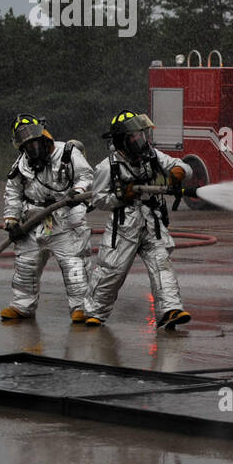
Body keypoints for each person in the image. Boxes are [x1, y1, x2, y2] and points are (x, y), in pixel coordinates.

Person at [82, 110, 191, 330]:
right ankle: (94, 312)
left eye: (141, 135)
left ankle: (170, 309)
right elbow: (99, 199)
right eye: (134, 137)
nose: (140, 140)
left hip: (153, 223)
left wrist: (179, 171)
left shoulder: (152, 155)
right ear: (123, 140)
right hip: (123, 226)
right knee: (111, 270)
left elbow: (182, 166)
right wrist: (123, 196)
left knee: (162, 265)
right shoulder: (107, 167)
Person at [1, 115, 94, 322]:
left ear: (42, 137)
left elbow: (86, 175)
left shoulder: (67, 152)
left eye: (34, 143)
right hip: (33, 220)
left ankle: (81, 308)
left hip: (65, 218)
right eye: (27, 145)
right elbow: (13, 192)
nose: (32, 148)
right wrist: (12, 220)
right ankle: (21, 306)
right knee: (26, 264)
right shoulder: (22, 163)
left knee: (74, 266)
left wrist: (77, 192)